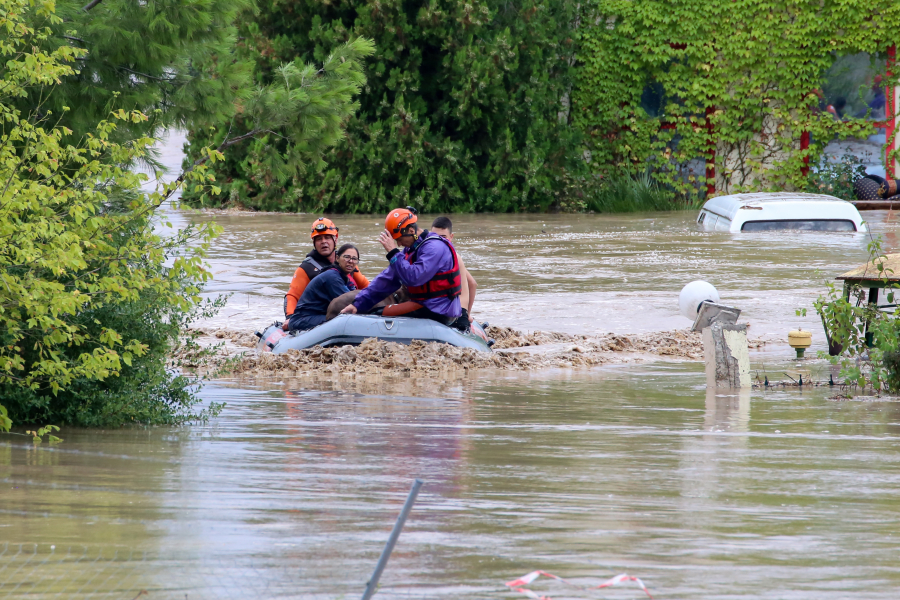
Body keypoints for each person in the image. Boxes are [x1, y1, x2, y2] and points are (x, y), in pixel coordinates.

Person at [340, 207, 462, 326]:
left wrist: (393, 253)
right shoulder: (411, 249)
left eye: (399, 239)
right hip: (424, 304)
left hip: (439, 308)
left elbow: (414, 277)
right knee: (370, 311)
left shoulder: (434, 247)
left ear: (411, 231)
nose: (398, 244)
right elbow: (387, 279)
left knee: (376, 315)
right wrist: (357, 304)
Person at [283, 217, 368, 327]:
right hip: (312, 316)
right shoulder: (306, 268)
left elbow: (367, 288)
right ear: (314, 242)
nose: (323, 242)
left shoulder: (347, 264)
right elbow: (292, 296)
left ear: (335, 239)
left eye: (327, 237)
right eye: (319, 239)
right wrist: (290, 317)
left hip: (332, 312)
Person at [287, 244, 362, 331]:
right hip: (303, 319)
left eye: (354, 259)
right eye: (347, 257)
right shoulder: (332, 277)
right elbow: (350, 303)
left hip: (318, 316)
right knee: (344, 321)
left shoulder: (345, 278)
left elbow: (358, 297)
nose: (350, 261)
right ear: (337, 258)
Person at [430, 216, 478, 330]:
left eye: (443, 237)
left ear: (451, 237)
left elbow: (472, 284)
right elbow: (472, 283)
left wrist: (466, 314)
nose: (439, 241)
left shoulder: (453, 257)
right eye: (435, 237)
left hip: (449, 311)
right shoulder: (450, 256)